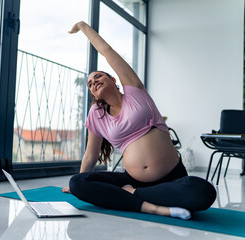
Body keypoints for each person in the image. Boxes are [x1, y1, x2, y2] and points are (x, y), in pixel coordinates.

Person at [62, 21, 216, 220]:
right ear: (93, 94)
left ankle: (133, 196)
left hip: (171, 178)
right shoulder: (96, 114)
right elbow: (90, 155)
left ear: (113, 80)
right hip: (133, 180)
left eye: (98, 76)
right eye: (90, 84)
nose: (94, 82)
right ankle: (152, 207)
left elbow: (107, 50)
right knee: (78, 183)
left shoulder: (135, 92)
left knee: (203, 191)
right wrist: (80, 181)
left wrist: (83, 27)